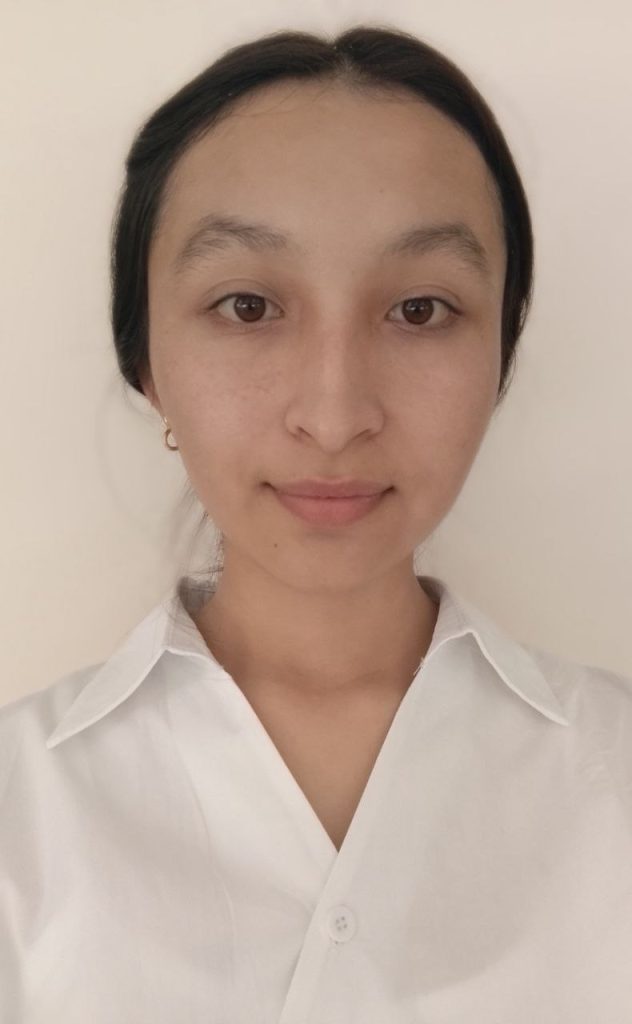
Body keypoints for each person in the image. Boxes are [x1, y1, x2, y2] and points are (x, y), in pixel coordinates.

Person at [1, 23, 631, 1024]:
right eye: (248, 305)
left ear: (499, 352)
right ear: (145, 360)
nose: (334, 415)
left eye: (420, 309)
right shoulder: (18, 814)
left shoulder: (613, 781)